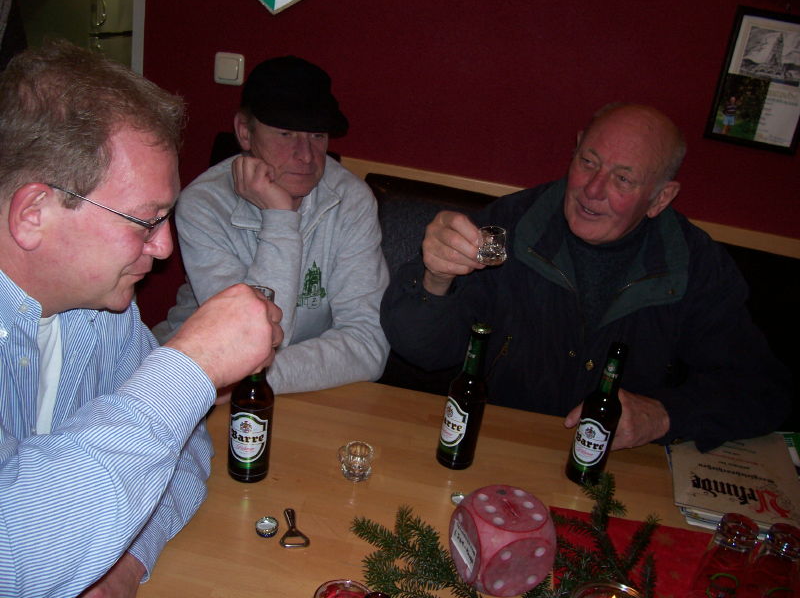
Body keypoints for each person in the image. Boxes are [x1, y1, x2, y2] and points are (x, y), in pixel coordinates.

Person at [0, 40, 283, 597]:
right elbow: (16, 554)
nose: (164, 246)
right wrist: (188, 367)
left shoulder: (104, 311)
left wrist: (127, 561)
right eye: (146, 220)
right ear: (33, 214)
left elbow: (184, 448)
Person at [381, 103, 791, 453]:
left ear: (660, 198)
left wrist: (663, 414)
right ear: (575, 148)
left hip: (619, 470)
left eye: (623, 179)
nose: (592, 190)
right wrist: (435, 278)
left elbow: (762, 389)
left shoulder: (692, 264)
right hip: (500, 446)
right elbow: (423, 351)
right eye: (588, 162)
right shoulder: (510, 226)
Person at [153, 55, 389, 394]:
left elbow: (368, 345)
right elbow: (246, 340)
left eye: (317, 135)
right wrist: (280, 218)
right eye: (285, 133)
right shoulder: (203, 205)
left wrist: (253, 381)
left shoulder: (351, 200)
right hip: (189, 382)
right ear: (244, 133)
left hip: (262, 386)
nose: (306, 155)